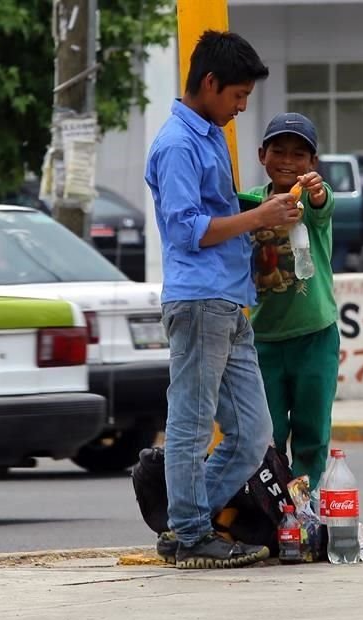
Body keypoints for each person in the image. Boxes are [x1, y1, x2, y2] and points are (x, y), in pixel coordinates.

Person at [145, 30, 302, 570]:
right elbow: (189, 228)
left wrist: (267, 208)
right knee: (190, 422)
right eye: (237, 96)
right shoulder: (177, 144)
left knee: (254, 431)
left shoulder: (209, 133)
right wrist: (260, 217)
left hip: (230, 300)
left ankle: (182, 524)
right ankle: (190, 535)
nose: (240, 109)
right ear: (209, 83)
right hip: (198, 299)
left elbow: (221, 208)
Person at [246, 113, 339, 492]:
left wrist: (316, 192)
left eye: (299, 154)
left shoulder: (312, 201)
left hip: (315, 336)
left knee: (312, 430)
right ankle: (274, 509)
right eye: (278, 151)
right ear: (261, 155)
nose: (287, 160)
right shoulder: (249, 204)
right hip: (262, 340)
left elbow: (322, 204)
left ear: (312, 164)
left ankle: (307, 509)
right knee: (267, 436)